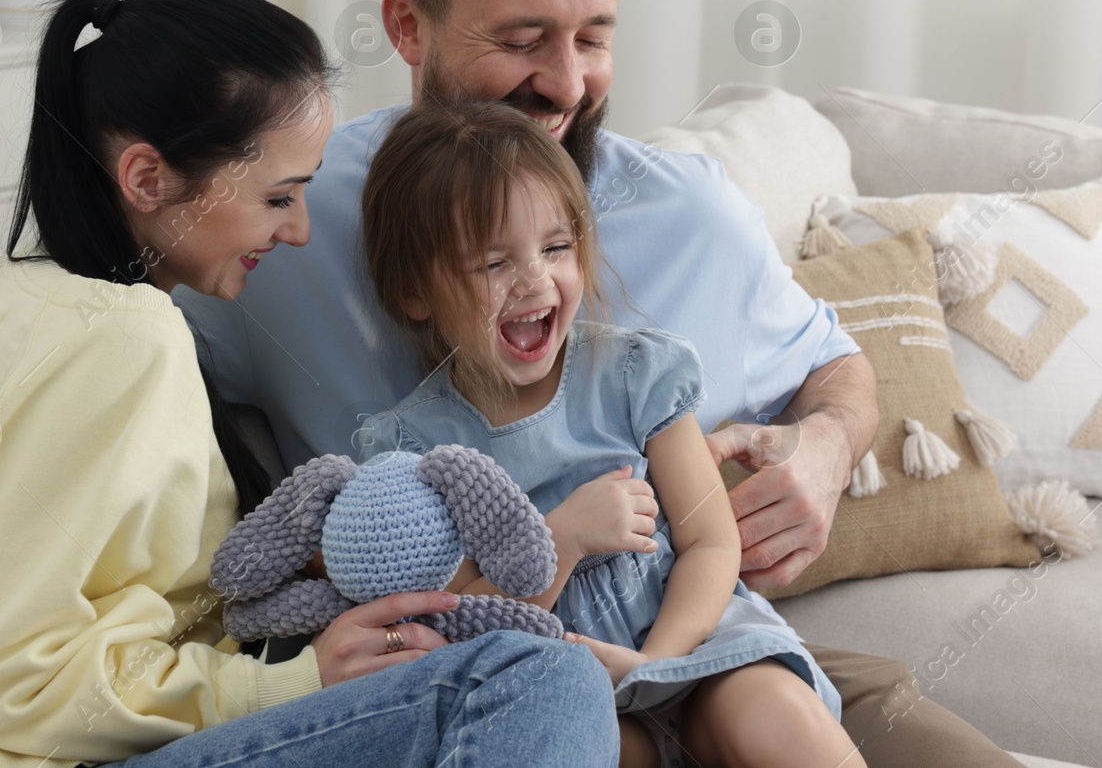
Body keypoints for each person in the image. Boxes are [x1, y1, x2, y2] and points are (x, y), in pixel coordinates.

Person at [175, 0, 1024, 766]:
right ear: (408, 26)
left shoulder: (689, 212)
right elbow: (128, 343)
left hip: (714, 643)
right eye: (523, 39)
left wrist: (824, 449)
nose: (569, 83)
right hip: (506, 675)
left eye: (594, 37)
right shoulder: (290, 216)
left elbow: (836, 365)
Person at [0, 0, 617, 768]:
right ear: (148, 179)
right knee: (538, 678)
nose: (299, 230)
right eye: (278, 197)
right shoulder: (122, 340)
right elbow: (1, 677)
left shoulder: (12, 289)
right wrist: (290, 682)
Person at [351, 99, 867, 768]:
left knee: (779, 718)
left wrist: (656, 663)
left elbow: (712, 540)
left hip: (692, 642)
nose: (534, 278)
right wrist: (561, 538)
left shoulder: (633, 371)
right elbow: (454, 617)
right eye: (492, 263)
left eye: (556, 247)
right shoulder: (413, 451)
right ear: (415, 292)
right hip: (557, 677)